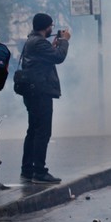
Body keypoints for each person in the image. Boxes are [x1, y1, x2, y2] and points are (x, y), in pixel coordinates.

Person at [19, 13, 69, 184]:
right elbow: (58, 57)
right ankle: (39, 171)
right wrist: (64, 41)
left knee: (33, 130)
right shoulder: (39, 42)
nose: (52, 29)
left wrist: (54, 45)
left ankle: (27, 169)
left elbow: (45, 58)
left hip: (32, 91)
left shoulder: (32, 41)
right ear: (45, 26)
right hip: (40, 92)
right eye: (51, 26)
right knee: (42, 132)